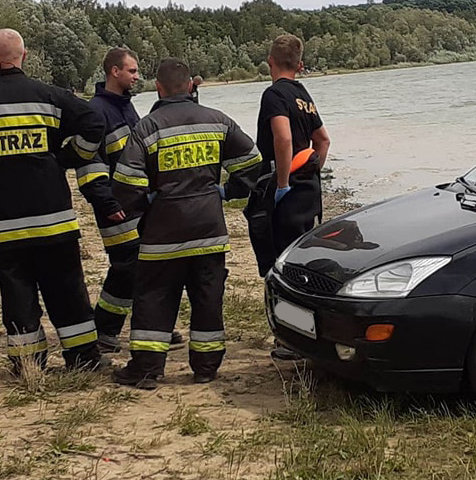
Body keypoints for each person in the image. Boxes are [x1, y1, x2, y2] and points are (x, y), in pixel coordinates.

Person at [0, 29, 119, 372]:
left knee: (17, 295)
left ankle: (27, 365)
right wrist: (68, 157)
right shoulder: (48, 96)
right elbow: (94, 122)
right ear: (26, 55)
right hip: (53, 217)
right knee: (67, 290)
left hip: (3, 223)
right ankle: (84, 360)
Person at [110, 58, 264, 388]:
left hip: (163, 233)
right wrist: (226, 191)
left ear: (159, 88)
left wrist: (144, 206)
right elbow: (253, 162)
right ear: (191, 87)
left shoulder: (148, 127)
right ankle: (206, 367)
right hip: (209, 229)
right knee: (208, 299)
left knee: (154, 298)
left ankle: (147, 370)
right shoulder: (218, 120)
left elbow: (125, 181)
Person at [242, 35, 331, 359]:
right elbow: (322, 141)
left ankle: (291, 339)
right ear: (300, 65)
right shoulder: (303, 95)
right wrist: (311, 171)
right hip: (309, 194)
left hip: (287, 193)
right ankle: (305, 335)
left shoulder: (274, 94)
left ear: (270, 61)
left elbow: (281, 138)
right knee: (303, 263)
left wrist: (282, 183)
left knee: (280, 266)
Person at [81, 46, 142, 352]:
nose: (136, 76)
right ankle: (104, 329)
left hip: (139, 202)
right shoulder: (96, 111)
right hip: (116, 206)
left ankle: (149, 326)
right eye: (132, 71)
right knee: (126, 266)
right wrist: (106, 203)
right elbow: (89, 164)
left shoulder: (127, 107)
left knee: (146, 264)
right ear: (114, 72)